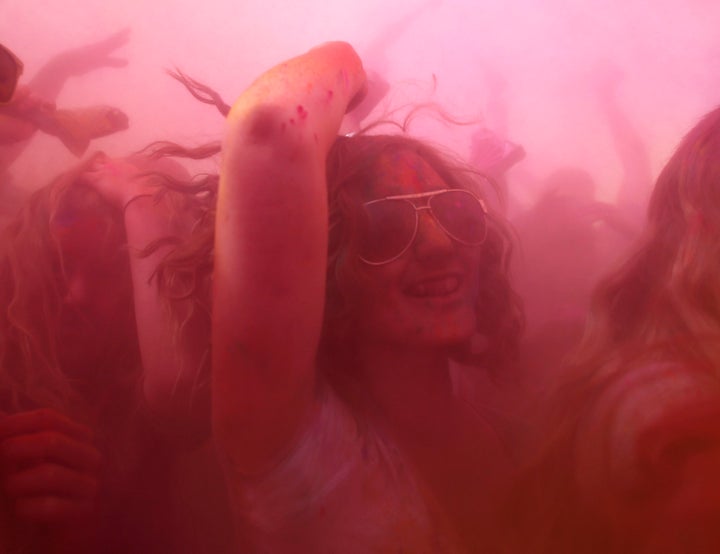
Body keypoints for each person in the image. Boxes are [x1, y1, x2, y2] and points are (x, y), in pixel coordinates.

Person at [212, 42, 523, 552]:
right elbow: (270, 125)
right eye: (385, 227)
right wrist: (352, 66)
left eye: (456, 213)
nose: (441, 244)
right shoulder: (293, 447)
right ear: (325, 269)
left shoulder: (507, 417)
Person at [507, 105, 720, 553]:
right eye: (568, 196)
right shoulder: (667, 403)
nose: (582, 203)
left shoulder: (620, 241)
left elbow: (657, 240)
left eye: (585, 191)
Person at [0, 150, 210, 553]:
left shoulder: (187, 425)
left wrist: (90, 532)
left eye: (110, 273)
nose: (75, 295)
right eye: (60, 265)